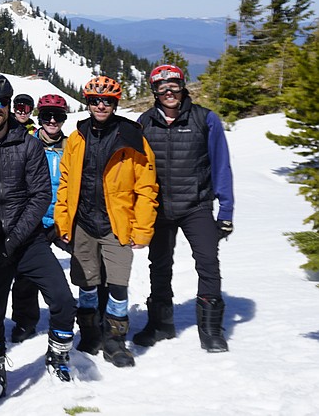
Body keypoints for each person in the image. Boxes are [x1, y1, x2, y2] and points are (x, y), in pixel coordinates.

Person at [0, 73, 76, 406]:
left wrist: (15, 238)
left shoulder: (28, 144)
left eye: (1, 103)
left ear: (9, 106)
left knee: (63, 300)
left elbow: (40, 195)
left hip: (27, 241)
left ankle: (58, 355)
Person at [54, 75, 158, 369]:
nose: (101, 105)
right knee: (86, 283)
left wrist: (142, 228)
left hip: (117, 223)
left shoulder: (132, 137)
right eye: (95, 100)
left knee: (118, 285)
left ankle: (114, 341)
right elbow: (66, 183)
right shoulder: (77, 138)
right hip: (83, 222)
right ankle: (89, 333)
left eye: (107, 101)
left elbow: (147, 187)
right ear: (87, 103)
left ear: (115, 103)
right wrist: (64, 221)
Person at [135, 64, 234, 352]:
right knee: (160, 266)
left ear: (183, 87)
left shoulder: (205, 119)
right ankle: (160, 324)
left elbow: (222, 166)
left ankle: (211, 329)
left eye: (174, 86)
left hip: (197, 206)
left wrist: (225, 212)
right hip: (160, 208)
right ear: (154, 91)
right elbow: (137, 170)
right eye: (162, 87)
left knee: (207, 263)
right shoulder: (145, 122)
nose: (169, 92)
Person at [9, 93, 70, 343]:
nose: (52, 121)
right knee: (25, 276)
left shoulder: (72, 147)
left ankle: (90, 315)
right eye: (47, 116)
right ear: (40, 118)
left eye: (57, 116)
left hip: (64, 218)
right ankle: (25, 321)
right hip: (34, 220)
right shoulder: (28, 143)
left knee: (90, 267)